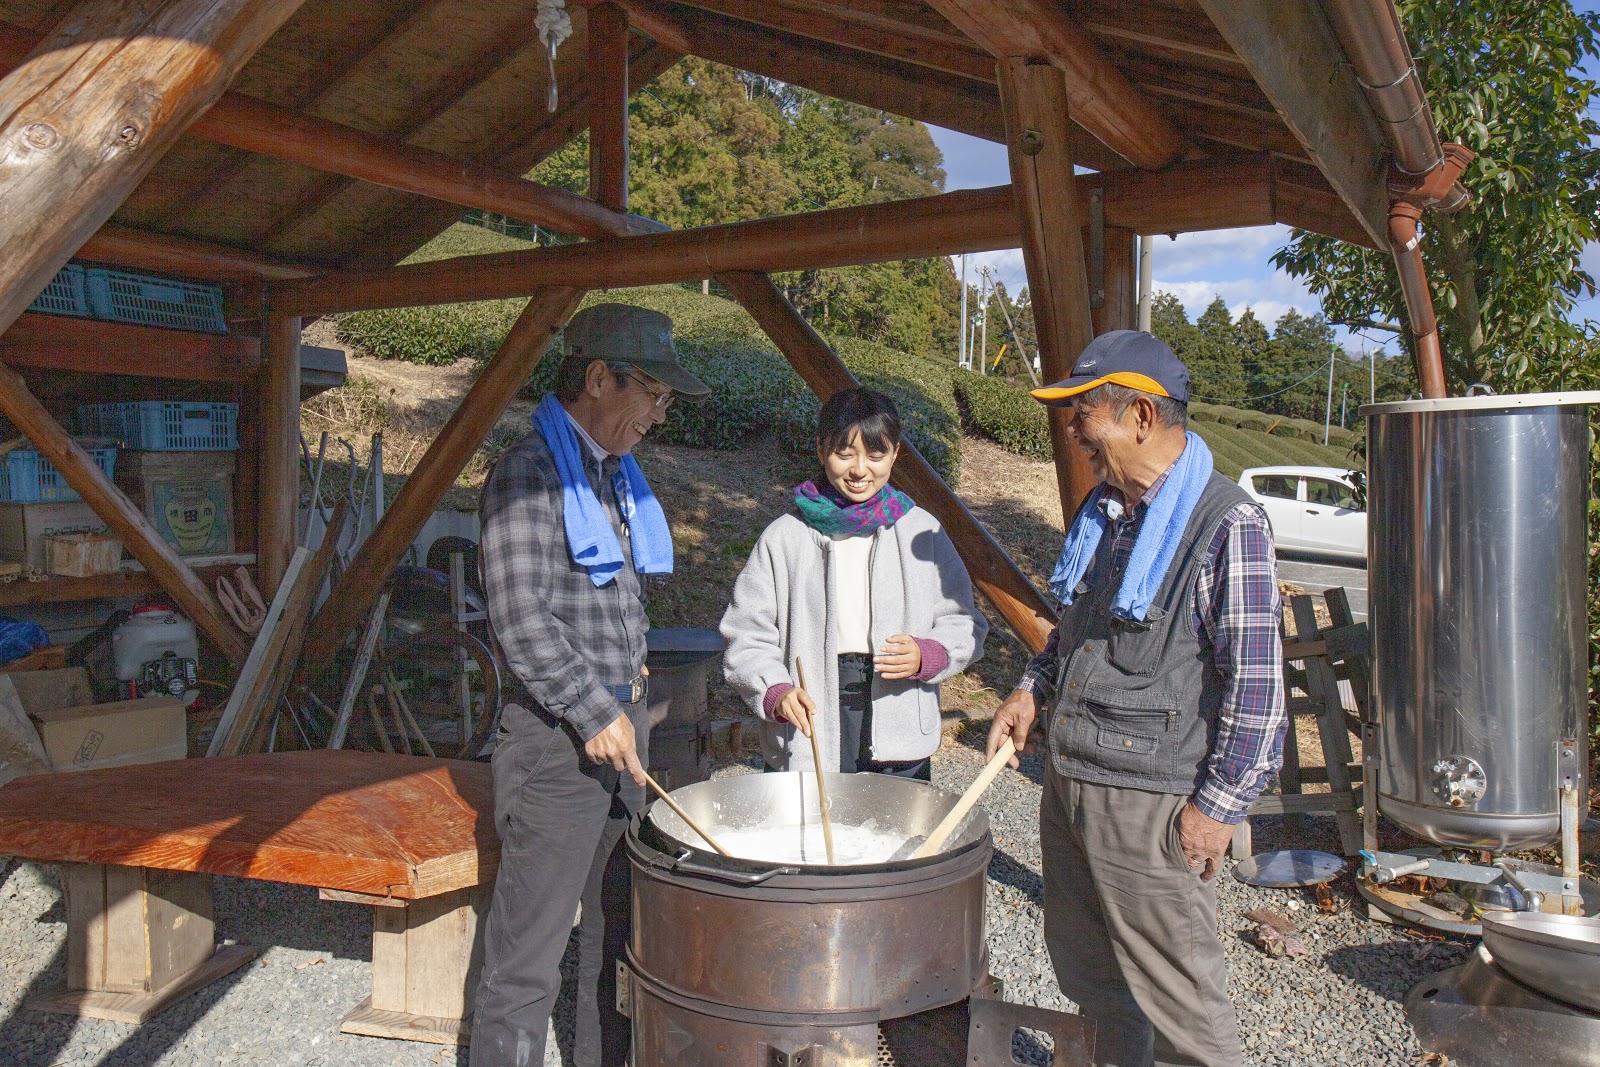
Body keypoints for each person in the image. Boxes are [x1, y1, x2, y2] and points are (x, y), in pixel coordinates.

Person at [985, 331, 1286, 1067]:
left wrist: (1217, 807)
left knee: (1184, 1010)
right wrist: (1032, 688)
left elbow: (1258, 689)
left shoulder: (1227, 524)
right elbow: (1075, 630)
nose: (1074, 431)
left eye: (1085, 413)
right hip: (1073, 781)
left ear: (1142, 416)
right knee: (1094, 981)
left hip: (1152, 801)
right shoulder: (1109, 515)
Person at [471, 303, 708, 1067]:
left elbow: (617, 607)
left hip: (618, 730)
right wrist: (591, 705)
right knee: (526, 957)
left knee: (617, 937)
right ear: (599, 378)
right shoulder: (528, 473)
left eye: (667, 401)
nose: (657, 416)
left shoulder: (615, 478)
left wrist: (630, 692)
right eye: (654, 395)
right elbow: (519, 616)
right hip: (553, 744)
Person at [721, 388, 988, 782]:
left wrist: (928, 654)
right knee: (810, 834)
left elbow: (965, 621)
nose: (860, 469)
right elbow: (745, 633)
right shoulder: (785, 537)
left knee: (895, 833)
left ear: (895, 454)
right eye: (844, 454)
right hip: (812, 710)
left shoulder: (922, 531)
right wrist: (775, 690)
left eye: (875, 455)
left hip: (900, 704)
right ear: (820, 449)